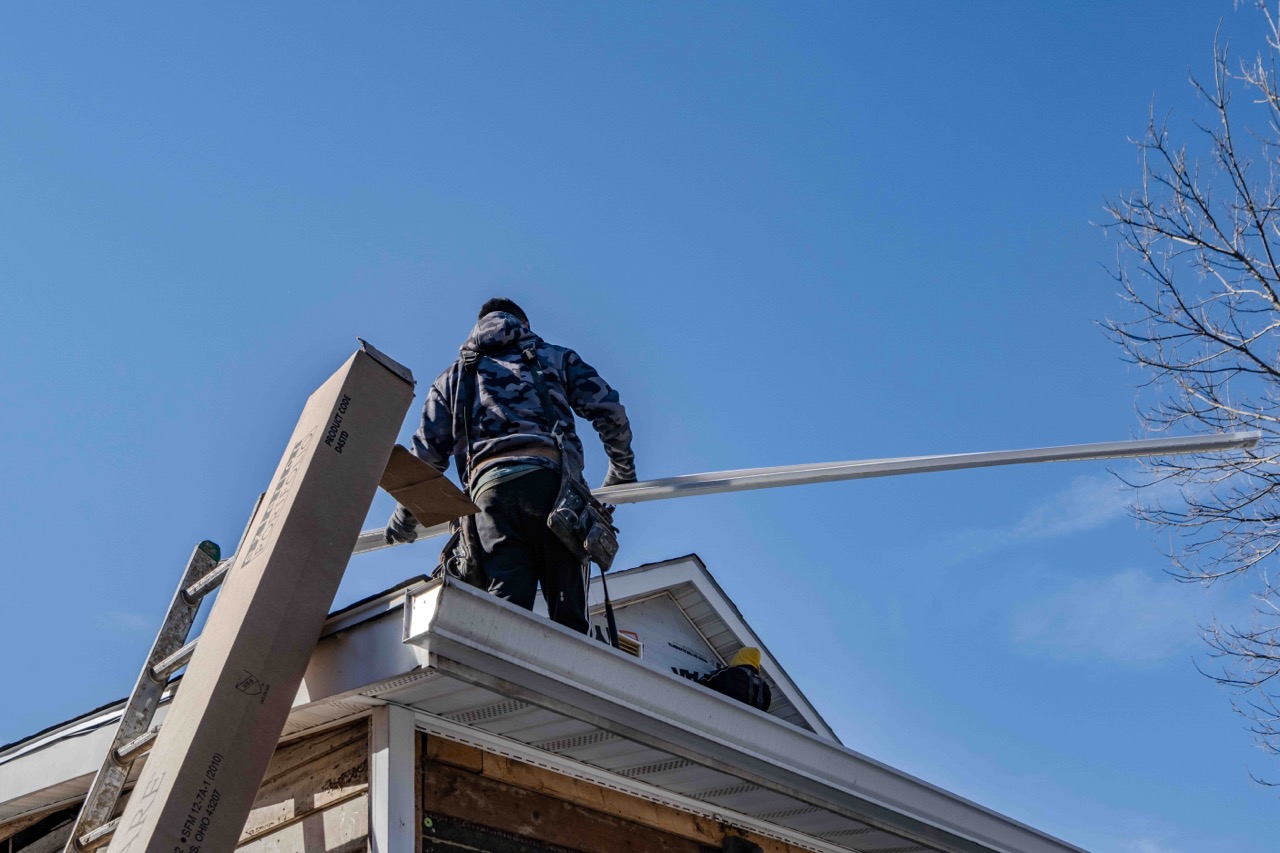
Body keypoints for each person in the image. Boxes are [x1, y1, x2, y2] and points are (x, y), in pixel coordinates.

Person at [384, 298, 636, 634]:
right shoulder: (554, 358)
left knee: (504, 611)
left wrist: (405, 518)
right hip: (555, 493)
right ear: (525, 326)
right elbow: (611, 411)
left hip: (489, 498)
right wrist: (621, 470)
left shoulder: (452, 379)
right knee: (569, 617)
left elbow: (424, 458)